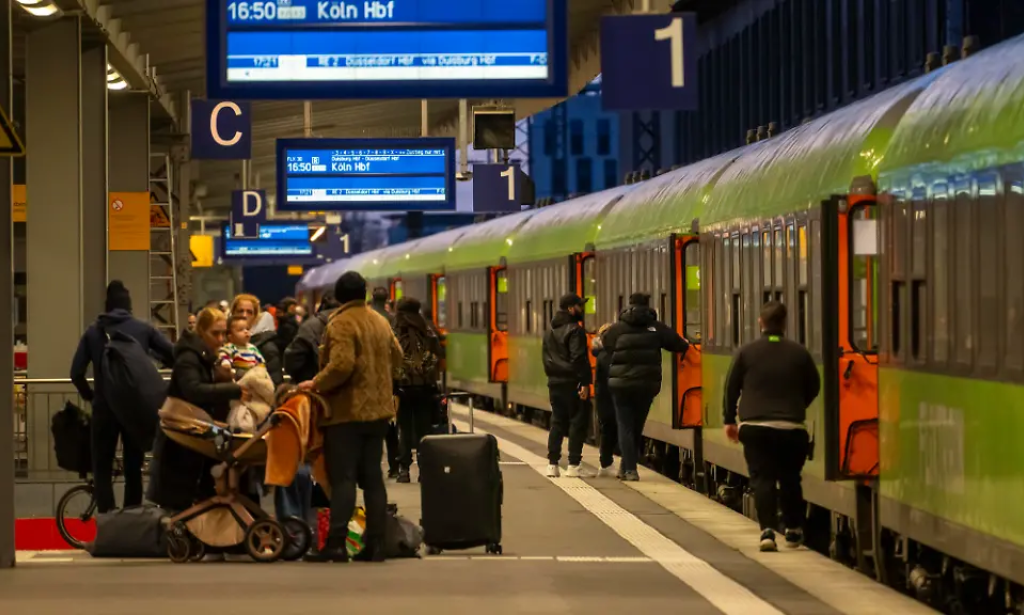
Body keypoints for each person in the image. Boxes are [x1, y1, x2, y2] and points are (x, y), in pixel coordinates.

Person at [299, 271, 403, 563]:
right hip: (378, 413)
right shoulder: (380, 321)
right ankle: (376, 544)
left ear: (339, 296)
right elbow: (397, 356)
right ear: (364, 294)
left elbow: (341, 365)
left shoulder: (342, 322)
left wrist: (316, 383)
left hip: (348, 413)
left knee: (343, 478)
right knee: (373, 478)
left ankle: (335, 543)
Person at [69, 281, 175, 514]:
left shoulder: (93, 332)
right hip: (134, 410)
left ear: (107, 305)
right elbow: (173, 355)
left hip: (104, 409)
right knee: (133, 467)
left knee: (102, 467)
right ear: (128, 305)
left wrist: (91, 396)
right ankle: (131, 518)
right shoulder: (143, 329)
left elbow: (76, 373)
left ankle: (107, 517)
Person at [723, 301, 820, 552]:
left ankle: (767, 531)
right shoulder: (799, 353)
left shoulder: (746, 352)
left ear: (760, 322)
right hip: (791, 428)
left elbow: (731, 388)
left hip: (755, 427)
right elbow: (814, 385)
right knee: (790, 478)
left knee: (762, 478)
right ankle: (793, 529)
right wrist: (796, 406)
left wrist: (729, 420)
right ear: (784, 323)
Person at [147, 308, 248, 512]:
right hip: (180, 440)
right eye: (215, 333)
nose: (220, 340)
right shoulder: (189, 358)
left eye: (223, 333)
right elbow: (194, 390)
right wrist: (233, 390)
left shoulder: (203, 356)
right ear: (201, 331)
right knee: (177, 506)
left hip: (190, 435)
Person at [603, 293, 690, 482]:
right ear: (648, 305)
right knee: (636, 426)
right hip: (646, 385)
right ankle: (627, 467)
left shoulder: (618, 328)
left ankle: (629, 469)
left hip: (621, 385)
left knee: (625, 426)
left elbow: (606, 344)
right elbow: (679, 345)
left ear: (629, 305)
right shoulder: (656, 328)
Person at [279, 291, 341, 538]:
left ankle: (315, 526)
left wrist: (305, 378)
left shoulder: (310, 326)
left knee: (312, 456)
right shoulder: (353, 323)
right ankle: (338, 527)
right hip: (344, 404)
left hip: (313, 399)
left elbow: (292, 359)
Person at [541, 293, 592, 478]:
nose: (582, 309)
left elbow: (546, 357)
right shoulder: (575, 330)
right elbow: (578, 358)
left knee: (557, 421)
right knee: (577, 421)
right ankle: (574, 464)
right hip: (572, 382)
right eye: (579, 306)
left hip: (554, 382)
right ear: (571, 309)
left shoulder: (549, 331)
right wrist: (584, 382)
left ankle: (552, 464)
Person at [392, 297, 442, 484]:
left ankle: (404, 470)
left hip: (402, 388)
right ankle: (424, 469)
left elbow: (389, 358)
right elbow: (437, 356)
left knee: (404, 429)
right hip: (424, 388)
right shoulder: (428, 330)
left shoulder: (394, 331)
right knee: (424, 430)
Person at [368, 288, 400, 477]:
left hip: (366, 380)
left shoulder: (365, 319)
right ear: (387, 299)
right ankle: (394, 466)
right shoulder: (391, 319)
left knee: (369, 427)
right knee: (390, 425)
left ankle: (370, 468)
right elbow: (398, 352)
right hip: (387, 381)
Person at [232, 294, 284, 387]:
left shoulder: (267, 348)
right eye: (240, 311)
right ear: (233, 313)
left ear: (255, 317)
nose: (244, 315)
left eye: (249, 312)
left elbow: (275, 384)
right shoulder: (225, 342)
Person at [591, 323, 619, 477]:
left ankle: (606, 463)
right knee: (612, 430)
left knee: (608, 430)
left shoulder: (602, 355)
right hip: (610, 398)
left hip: (603, 398)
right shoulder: (608, 356)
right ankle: (607, 463)